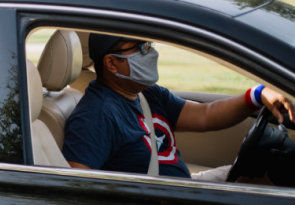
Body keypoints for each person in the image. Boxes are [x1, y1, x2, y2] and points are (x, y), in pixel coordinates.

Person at [62, 33, 295, 178]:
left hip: (182, 191)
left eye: (149, 43)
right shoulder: (95, 116)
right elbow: (79, 190)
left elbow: (205, 114)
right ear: (111, 62)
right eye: (141, 47)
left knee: (266, 171)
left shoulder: (147, 95)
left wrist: (256, 96)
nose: (151, 52)